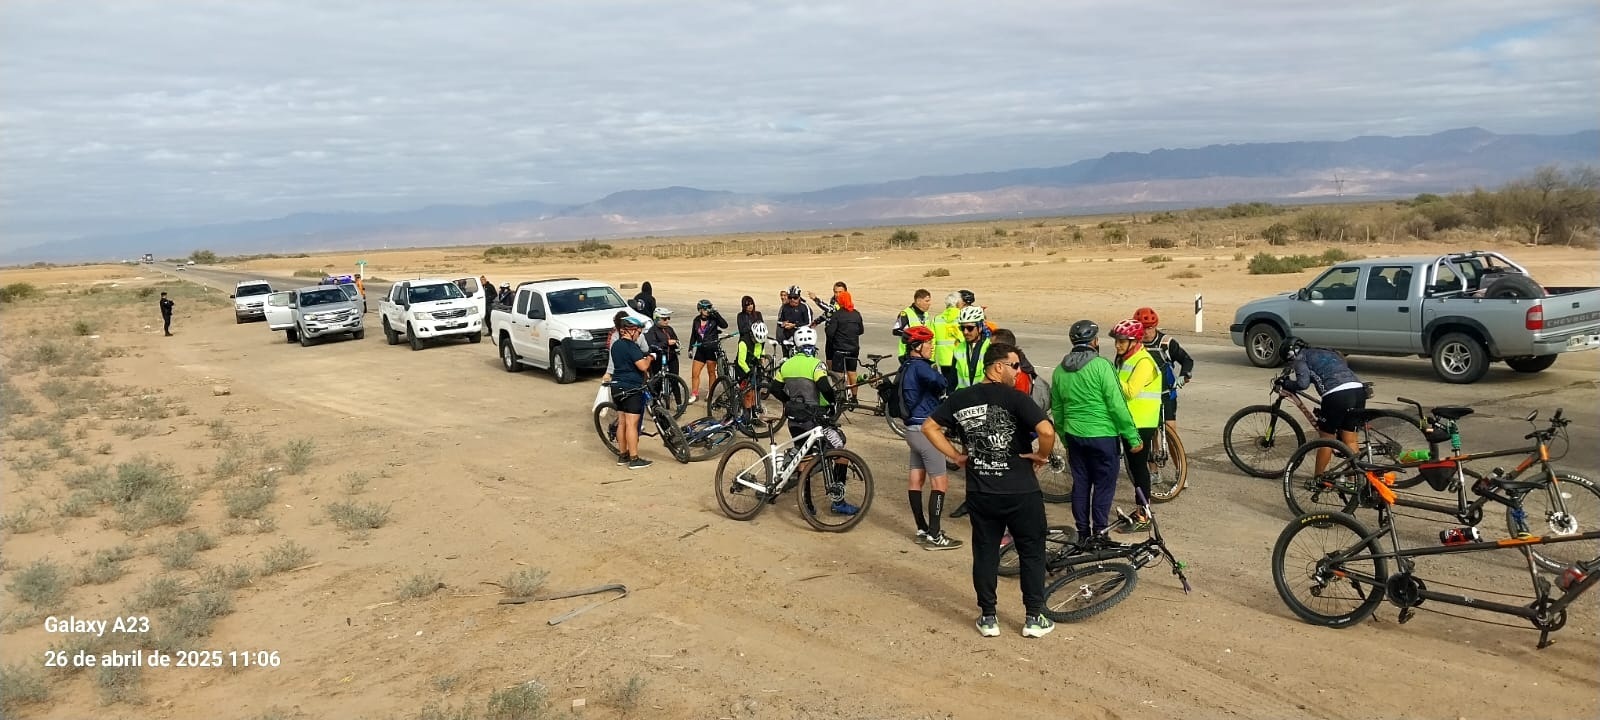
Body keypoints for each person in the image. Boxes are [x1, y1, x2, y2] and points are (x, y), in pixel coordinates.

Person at [923, 342, 1057, 639]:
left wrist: (956, 456)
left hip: (982, 491)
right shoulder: (1016, 398)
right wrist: (1042, 456)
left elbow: (929, 427)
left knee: (985, 553)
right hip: (1020, 490)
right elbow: (1047, 431)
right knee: (1032, 551)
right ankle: (1034, 617)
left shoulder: (961, 398)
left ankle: (988, 616)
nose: (1018, 372)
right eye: (1015, 366)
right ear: (998, 367)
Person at [1050, 320, 1142, 542]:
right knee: (1103, 485)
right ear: (1095, 341)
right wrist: (1132, 437)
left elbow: (1057, 410)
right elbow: (1117, 405)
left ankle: (1083, 533)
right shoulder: (1102, 366)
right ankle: (1100, 533)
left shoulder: (1059, 370)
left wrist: (1065, 438)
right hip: (1103, 437)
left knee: (1080, 485)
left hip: (1075, 436)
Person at [768, 326, 857, 515]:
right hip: (813, 419)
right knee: (840, 448)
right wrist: (833, 403)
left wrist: (788, 401)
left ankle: (807, 505)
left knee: (804, 457)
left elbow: (774, 388)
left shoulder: (787, 364)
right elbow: (824, 387)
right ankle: (838, 501)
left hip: (793, 420)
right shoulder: (816, 364)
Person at [899, 326, 958, 549]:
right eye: (929, 344)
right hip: (926, 430)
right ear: (917, 346)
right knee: (940, 482)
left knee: (916, 479)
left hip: (911, 430)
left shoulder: (906, 366)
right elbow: (943, 383)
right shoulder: (921, 368)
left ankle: (922, 528)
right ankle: (935, 534)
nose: (932, 347)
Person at [1282, 337, 1366, 475]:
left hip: (1336, 394)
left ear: (1291, 354)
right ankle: (1355, 481)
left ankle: (1318, 478)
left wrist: (1287, 384)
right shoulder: (1327, 351)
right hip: (1357, 390)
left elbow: (1302, 384)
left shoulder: (1300, 358)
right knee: (1350, 440)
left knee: (1326, 440)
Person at [1110, 319, 1163, 533]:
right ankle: (1142, 507)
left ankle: (1144, 513)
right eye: (1116, 341)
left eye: (1122, 341)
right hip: (1129, 420)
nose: (1117, 345)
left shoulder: (1143, 362)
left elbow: (1130, 391)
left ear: (1135, 341)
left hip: (1142, 422)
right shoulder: (1125, 358)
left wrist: (1108, 374)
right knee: (1132, 467)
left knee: (1138, 467)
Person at [1134, 307, 1193, 438]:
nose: (1146, 332)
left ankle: (1178, 458)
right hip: (1143, 397)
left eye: (1149, 328)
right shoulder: (1132, 343)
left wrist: (1183, 375)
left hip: (1166, 393)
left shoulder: (1166, 343)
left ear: (1155, 326)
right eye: (1142, 328)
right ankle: (1152, 457)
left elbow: (1186, 360)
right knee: (1150, 431)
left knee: (1171, 430)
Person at [609, 316, 654, 470]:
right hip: (631, 388)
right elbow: (642, 367)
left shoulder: (616, 345)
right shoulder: (631, 347)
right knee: (631, 424)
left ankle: (623, 455)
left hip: (616, 386)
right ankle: (634, 459)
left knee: (621, 422)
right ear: (631, 330)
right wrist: (649, 358)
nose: (639, 335)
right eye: (638, 332)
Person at [825, 291, 865, 401]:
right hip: (853, 349)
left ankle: (841, 395)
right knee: (852, 372)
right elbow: (861, 330)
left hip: (839, 349)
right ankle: (855, 397)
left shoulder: (837, 315)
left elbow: (830, 333)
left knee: (839, 374)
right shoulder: (856, 314)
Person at [687, 299, 728, 403]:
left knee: (711, 373)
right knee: (695, 373)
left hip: (711, 349)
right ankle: (694, 394)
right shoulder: (696, 320)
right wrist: (690, 349)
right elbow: (693, 335)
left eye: (709, 307)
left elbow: (724, 325)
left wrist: (716, 314)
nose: (707, 310)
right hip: (700, 350)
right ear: (700, 309)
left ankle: (711, 392)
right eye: (705, 308)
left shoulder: (714, 319)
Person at [734, 321, 769, 424]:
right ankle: (746, 417)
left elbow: (762, 351)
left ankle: (753, 415)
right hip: (743, 367)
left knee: (754, 392)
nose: (758, 342)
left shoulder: (761, 341)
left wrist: (762, 359)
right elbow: (741, 361)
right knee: (748, 394)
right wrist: (748, 373)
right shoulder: (743, 342)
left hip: (754, 367)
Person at [989, 329, 1038, 396]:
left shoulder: (1020, 374)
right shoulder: (1003, 366)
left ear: (1003, 347)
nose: (989, 348)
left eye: (992, 345)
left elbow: (1019, 402)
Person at [954, 306, 991, 389]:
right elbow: (953, 379)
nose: (965, 332)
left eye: (970, 328)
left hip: (984, 396)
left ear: (980, 327)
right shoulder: (958, 349)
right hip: (964, 397)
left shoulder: (990, 346)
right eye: (962, 328)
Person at [931, 292, 963, 387]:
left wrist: (932, 361)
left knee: (949, 385)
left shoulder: (937, 319)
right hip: (960, 358)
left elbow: (931, 341)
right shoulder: (962, 316)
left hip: (944, 359)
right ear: (957, 303)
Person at [892, 289, 933, 361]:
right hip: (908, 353)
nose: (929, 303)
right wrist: (913, 335)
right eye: (926, 301)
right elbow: (896, 330)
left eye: (929, 301)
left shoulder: (925, 314)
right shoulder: (905, 313)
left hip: (923, 352)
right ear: (918, 301)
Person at [776, 286, 814, 357]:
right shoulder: (784, 307)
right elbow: (779, 321)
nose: (792, 300)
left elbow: (809, 323)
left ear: (799, 297)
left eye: (795, 298)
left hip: (802, 338)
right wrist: (783, 324)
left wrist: (794, 325)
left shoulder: (805, 307)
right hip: (787, 337)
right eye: (790, 298)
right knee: (786, 358)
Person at [645, 307, 680, 377]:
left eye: (668, 318)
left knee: (675, 380)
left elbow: (676, 340)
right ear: (657, 319)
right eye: (664, 319)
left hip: (672, 358)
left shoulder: (669, 329)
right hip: (659, 360)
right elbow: (652, 345)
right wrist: (666, 343)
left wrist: (676, 344)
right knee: (657, 382)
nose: (667, 321)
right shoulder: (652, 331)